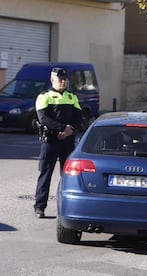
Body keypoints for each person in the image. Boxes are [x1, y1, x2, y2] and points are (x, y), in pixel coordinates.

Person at [34, 67, 83, 218]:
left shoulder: (71, 97)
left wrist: (69, 130)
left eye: (64, 79)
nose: (62, 82)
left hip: (67, 141)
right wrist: (62, 128)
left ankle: (66, 208)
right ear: (52, 79)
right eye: (59, 79)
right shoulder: (44, 96)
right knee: (45, 173)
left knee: (67, 175)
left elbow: (79, 117)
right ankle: (40, 207)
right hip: (50, 140)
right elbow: (43, 119)